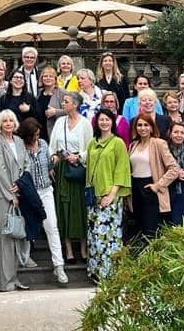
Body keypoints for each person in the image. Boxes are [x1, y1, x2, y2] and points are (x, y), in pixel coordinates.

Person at [19, 117, 69, 284]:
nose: (36, 137)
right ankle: (25, 258)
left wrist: (53, 162)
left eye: (38, 134)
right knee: (28, 227)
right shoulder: (20, 147)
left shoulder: (44, 144)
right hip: (29, 193)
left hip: (46, 190)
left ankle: (59, 265)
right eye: (33, 135)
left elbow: (48, 164)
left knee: (52, 227)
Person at [86, 108, 131, 281]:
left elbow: (122, 170)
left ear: (113, 122)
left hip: (110, 196)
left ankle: (110, 274)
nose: (104, 122)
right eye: (101, 119)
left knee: (109, 237)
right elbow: (89, 168)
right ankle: (96, 271)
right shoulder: (92, 143)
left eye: (107, 119)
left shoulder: (117, 143)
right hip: (94, 197)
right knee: (95, 236)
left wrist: (112, 194)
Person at [48, 91, 92, 263]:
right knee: (63, 206)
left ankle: (83, 248)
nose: (63, 104)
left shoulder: (85, 123)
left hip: (78, 168)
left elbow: (90, 148)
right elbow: (52, 146)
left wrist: (79, 157)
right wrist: (54, 158)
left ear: (75, 104)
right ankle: (68, 250)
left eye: (66, 101)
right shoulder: (60, 122)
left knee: (79, 207)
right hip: (62, 169)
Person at [0, 110, 31, 291]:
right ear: (0, 124)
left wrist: (21, 185)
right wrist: (11, 193)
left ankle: (15, 278)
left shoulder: (20, 141)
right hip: (4, 195)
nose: (8, 123)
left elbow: (26, 164)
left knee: (18, 237)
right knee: (7, 239)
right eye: (4, 121)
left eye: (11, 121)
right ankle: (5, 282)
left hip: (20, 193)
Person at [128, 113, 178, 241]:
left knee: (150, 231)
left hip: (151, 188)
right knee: (138, 229)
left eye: (146, 125)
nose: (142, 128)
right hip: (135, 189)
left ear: (151, 127)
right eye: (139, 125)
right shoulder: (133, 145)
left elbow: (174, 169)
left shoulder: (159, 143)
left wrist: (158, 185)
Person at [36, 64, 67, 141]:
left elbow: (71, 110)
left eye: (51, 76)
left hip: (55, 131)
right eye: (45, 76)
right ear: (41, 78)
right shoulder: (39, 93)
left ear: (55, 79)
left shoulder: (62, 93)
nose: (48, 78)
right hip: (40, 131)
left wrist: (56, 112)